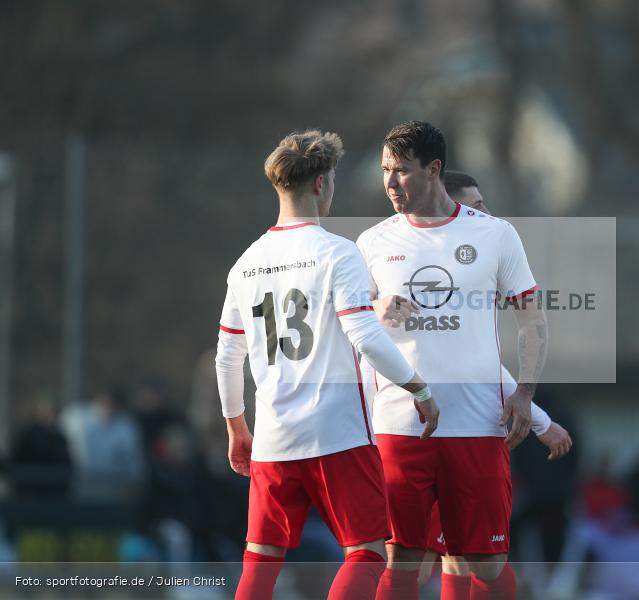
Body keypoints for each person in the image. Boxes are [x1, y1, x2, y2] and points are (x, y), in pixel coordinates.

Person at [215, 130, 439, 600]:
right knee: (366, 552)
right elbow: (365, 335)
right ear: (320, 184)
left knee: (261, 555)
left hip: (274, 434)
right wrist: (418, 388)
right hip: (336, 432)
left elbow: (228, 355)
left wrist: (237, 427)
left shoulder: (245, 264)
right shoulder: (338, 252)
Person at [356, 121, 548, 600]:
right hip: (401, 426)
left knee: (487, 564)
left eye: (401, 170)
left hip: (478, 424)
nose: (390, 182)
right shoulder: (371, 242)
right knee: (402, 562)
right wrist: (376, 308)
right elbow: (352, 327)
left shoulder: (495, 235)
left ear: (434, 169)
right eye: (385, 170)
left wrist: (524, 395)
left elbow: (533, 323)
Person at [412, 171, 573, 598]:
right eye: (477, 206)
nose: (487, 215)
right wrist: (541, 423)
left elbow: (484, 362)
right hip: (418, 436)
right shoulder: (419, 270)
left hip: (464, 434)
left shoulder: (471, 273)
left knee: (462, 559)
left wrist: (538, 418)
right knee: (413, 563)